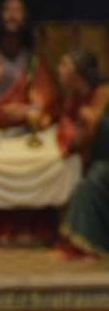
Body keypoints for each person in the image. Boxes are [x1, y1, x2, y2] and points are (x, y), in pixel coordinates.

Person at [0, 0, 58, 130]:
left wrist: (28, 110)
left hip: (23, 129)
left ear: (25, 18)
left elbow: (48, 99)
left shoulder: (33, 61)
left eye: (17, 10)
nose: (12, 15)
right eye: (7, 10)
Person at [57, 49, 109, 257]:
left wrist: (95, 122)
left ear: (78, 72)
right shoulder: (76, 96)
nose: (59, 69)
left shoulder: (104, 93)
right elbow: (67, 122)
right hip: (92, 156)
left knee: (92, 182)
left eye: (65, 65)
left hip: (105, 157)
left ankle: (86, 244)